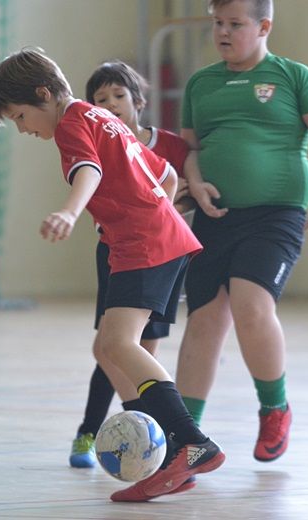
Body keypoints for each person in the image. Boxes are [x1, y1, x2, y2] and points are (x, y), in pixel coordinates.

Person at [0, 48, 225, 502]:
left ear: (43, 94)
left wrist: (71, 212)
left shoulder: (72, 124)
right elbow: (167, 174)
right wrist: (154, 214)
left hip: (145, 244)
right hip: (160, 238)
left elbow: (89, 171)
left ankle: (190, 443)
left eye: (20, 116)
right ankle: (172, 447)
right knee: (109, 347)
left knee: (117, 345)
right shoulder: (101, 117)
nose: (22, 128)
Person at [176, 0, 308, 462]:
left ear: (264, 26)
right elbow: (190, 150)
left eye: (236, 24)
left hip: (276, 216)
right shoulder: (201, 84)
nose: (223, 32)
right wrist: (194, 183)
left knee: (250, 305)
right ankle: (187, 438)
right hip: (216, 217)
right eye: (217, 23)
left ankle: (275, 409)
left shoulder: (294, 77)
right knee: (203, 321)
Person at [68, 61, 197, 469]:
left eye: (118, 96)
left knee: (135, 348)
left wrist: (160, 210)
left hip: (154, 251)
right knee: (110, 347)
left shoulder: (166, 146)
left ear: (139, 100)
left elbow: (178, 181)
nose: (110, 104)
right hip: (114, 250)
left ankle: (165, 437)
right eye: (100, 100)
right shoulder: (104, 142)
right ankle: (92, 431)